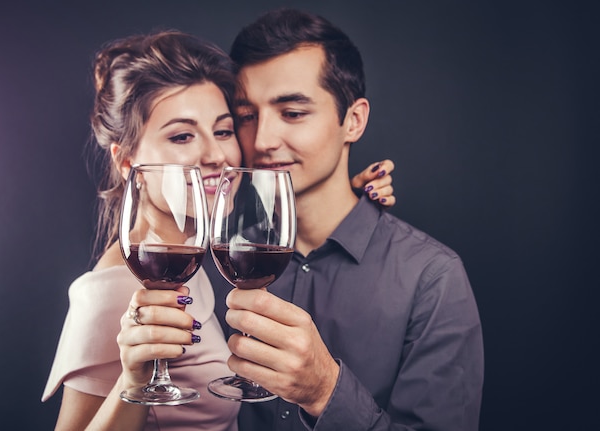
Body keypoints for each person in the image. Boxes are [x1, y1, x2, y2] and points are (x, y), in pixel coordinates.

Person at [128, 9, 483, 430]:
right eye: (246, 116)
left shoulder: (432, 278)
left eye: (293, 113)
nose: (262, 141)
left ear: (353, 120)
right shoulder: (210, 255)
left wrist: (325, 391)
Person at [42, 29, 395, 430]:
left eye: (224, 130)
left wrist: (340, 198)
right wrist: (134, 380)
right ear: (127, 163)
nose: (215, 155)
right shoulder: (115, 290)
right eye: (181, 136)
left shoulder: (196, 257)